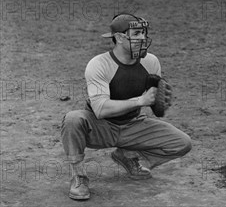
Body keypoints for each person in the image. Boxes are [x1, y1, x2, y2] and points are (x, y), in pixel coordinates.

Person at [61, 13, 191, 201]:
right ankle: (78, 176)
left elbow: (154, 103)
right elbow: (100, 109)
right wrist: (140, 101)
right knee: (73, 119)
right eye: (137, 34)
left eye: (144, 33)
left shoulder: (151, 62)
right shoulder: (98, 64)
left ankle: (129, 156)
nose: (143, 38)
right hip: (100, 126)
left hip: (133, 124)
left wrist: (160, 102)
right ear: (120, 38)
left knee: (182, 142)